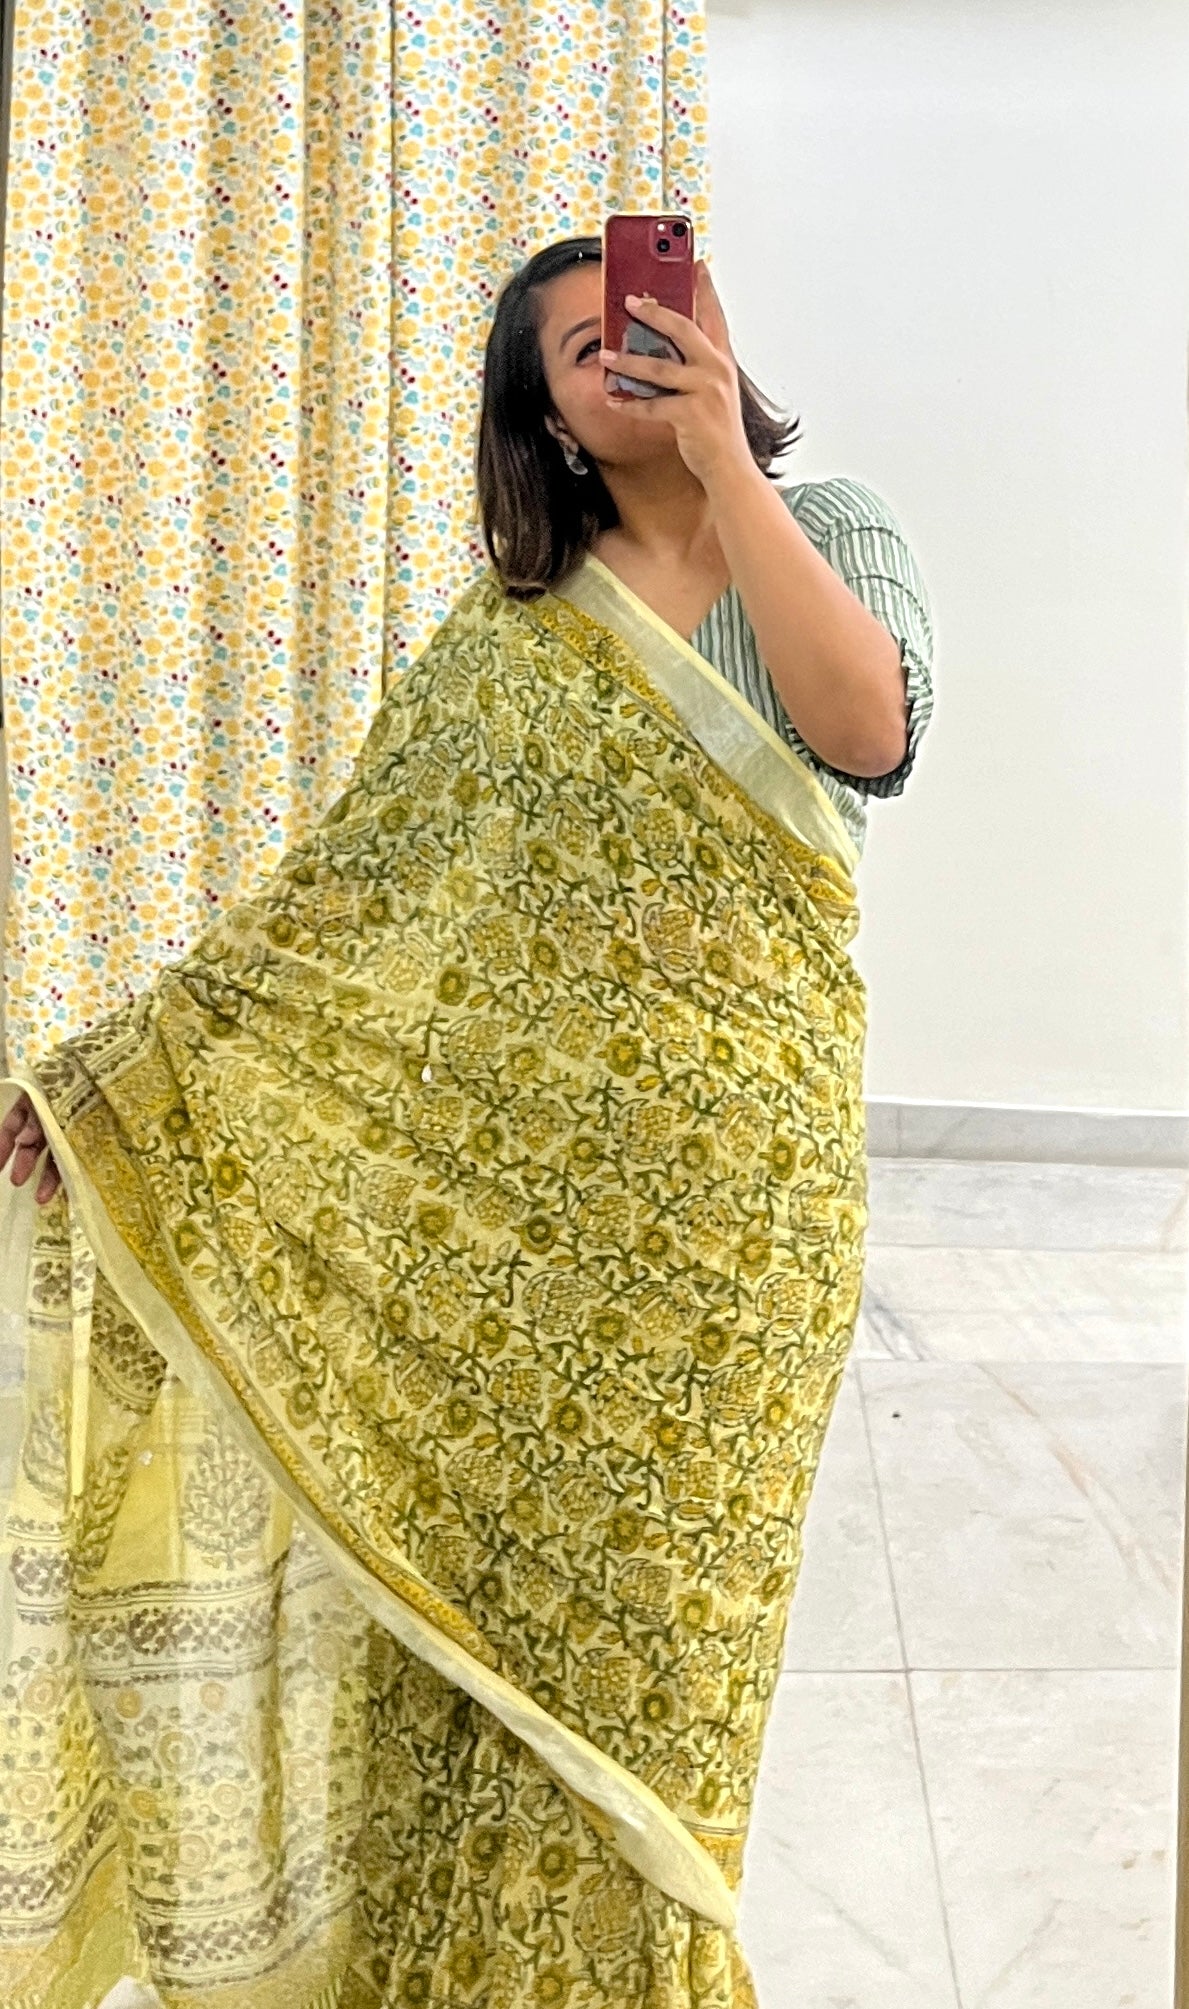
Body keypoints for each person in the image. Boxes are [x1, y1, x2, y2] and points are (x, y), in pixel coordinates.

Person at [0, 234, 933, 2008]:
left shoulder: (839, 530)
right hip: (504, 1243)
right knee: (467, 1651)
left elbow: (867, 733)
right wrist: (132, 1072)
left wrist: (728, 467)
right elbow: (349, 899)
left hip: (735, 1225)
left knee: (663, 1670)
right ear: (548, 418)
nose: (630, 352)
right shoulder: (506, 634)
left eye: (654, 320)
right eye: (585, 349)